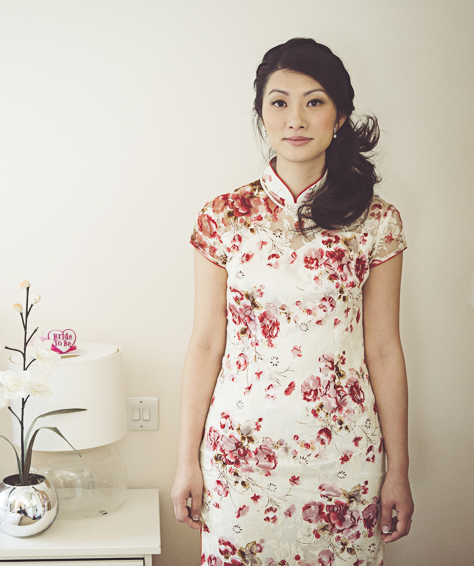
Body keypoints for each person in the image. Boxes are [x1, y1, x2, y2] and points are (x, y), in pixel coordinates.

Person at [171, 38, 414, 565]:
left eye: (315, 100)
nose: (295, 118)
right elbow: (206, 343)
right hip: (239, 456)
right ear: (261, 114)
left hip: (343, 461)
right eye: (279, 102)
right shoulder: (224, 216)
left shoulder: (377, 222)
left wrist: (399, 469)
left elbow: (385, 350)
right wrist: (187, 461)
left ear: (340, 116)